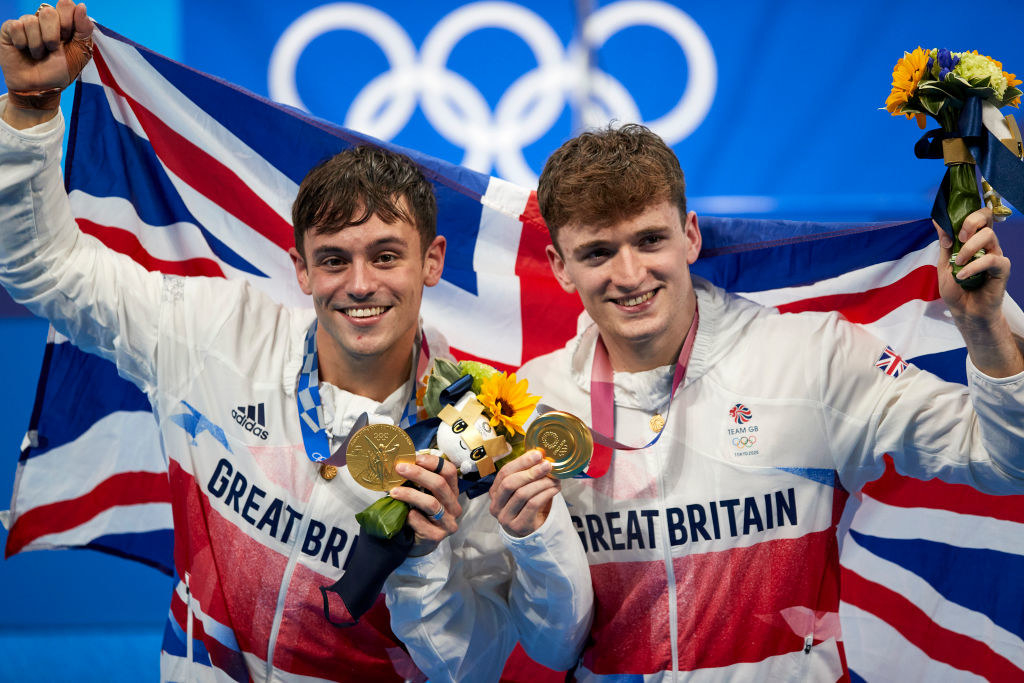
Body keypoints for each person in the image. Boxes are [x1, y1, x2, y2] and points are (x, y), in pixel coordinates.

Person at [0, 2, 591, 681]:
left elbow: (476, 667)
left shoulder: (476, 434)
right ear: (301, 268)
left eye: (386, 256)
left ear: (432, 262)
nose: (360, 284)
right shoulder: (214, 334)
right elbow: (43, 269)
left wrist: (423, 563)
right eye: (335, 259)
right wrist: (31, 111)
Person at [504, 123, 1023, 680]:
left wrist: (984, 327)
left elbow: (1003, 460)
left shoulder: (812, 357)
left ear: (691, 236)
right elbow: (552, 648)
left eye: (650, 240)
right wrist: (530, 542)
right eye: (599, 252)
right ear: (560, 266)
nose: (630, 274)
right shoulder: (534, 405)